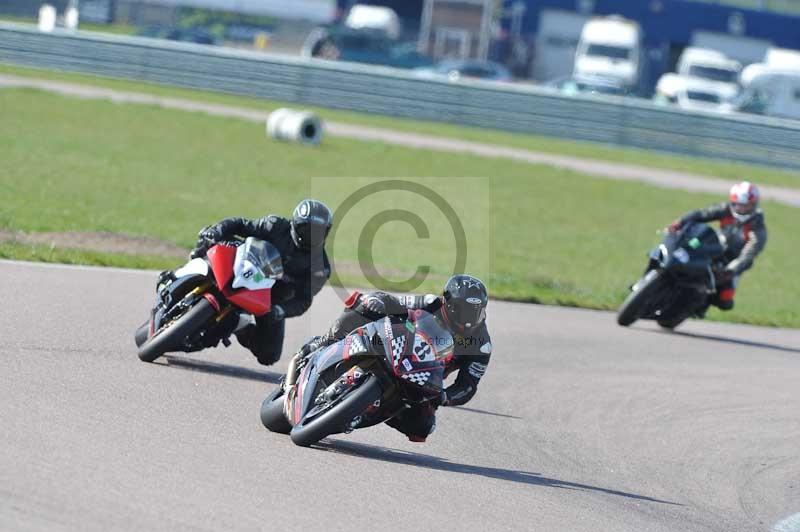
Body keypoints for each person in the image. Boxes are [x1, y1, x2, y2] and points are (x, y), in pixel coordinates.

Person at [288, 274, 492, 442]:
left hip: (424, 377)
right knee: (364, 306)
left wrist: (446, 397)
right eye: (464, 310)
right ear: (449, 303)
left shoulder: (481, 344)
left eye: (476, 311)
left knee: (423, 428)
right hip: (396, 347)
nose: (469, 318)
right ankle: (324, 343)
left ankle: (363, 412)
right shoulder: (431, 303)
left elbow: (468, 386)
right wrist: (379, 301)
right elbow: (396, 303)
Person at [180, 199, 333, 365]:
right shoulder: (275, 225)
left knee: (269, 355)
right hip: (245, 267)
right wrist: (216, 231)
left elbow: (304, 300)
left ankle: (239, 326)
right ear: (295, 224)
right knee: (213, 237)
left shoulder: (320, 267)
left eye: (318, 232)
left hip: (268, 300)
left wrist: (281, 310)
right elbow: (240, 225)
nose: (311, 236)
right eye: (307, 230)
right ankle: (185, 271)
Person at [668, 181, 767, 311]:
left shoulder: (758, 229)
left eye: (747, 206)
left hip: (731, 262)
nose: (742, 209)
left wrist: (730, 270)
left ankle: (699, 305)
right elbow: (702, 214)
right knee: (691, 245)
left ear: (754, 205)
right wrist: (681, 222)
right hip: (714, 246)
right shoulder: (725, 210)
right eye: (739, 205)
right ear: (733, 203)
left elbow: (748, 255)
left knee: (725, 301)